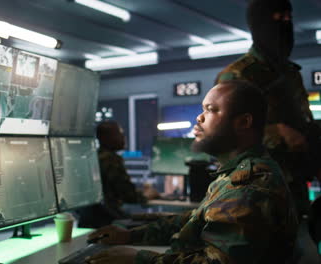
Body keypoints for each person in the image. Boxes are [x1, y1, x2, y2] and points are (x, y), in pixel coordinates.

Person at [85, 80, 298, 264]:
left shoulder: (250, 186)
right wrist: (130, 236)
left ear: (243, 122)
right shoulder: (236, 173)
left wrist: (138, 258)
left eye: (211, 110)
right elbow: (195, 219)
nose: (199, 118)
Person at [215, 0, 320, 218]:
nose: (285, 24)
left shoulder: (291, 74)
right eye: (277, 18)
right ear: (259, 23)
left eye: (288, 18)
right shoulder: (237, 76)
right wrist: (277, 133)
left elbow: (303, 124)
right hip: (254, 196)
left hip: (295, 189)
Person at [77, 121, 159, 228]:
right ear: (107, 138)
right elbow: (129, 196)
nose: (123, 137)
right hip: (108, 222)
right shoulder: (111, 160)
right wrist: (148, 194)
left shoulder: (93, 157)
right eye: (119, 134)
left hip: (88, 220)